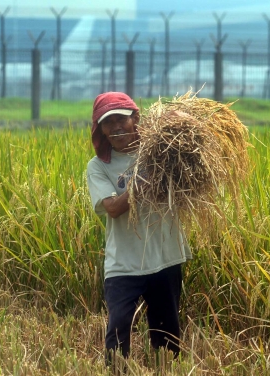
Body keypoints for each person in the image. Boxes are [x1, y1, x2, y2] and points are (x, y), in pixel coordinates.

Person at [86, 92, 192, 365]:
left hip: (165, 257)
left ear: (135, 119)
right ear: (101, 130)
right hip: (124, 263)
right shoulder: (98, 167)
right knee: (119, 326)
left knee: (166, 335)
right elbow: (112, 208)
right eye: (108, 123)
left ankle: (166, 370)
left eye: (121, 119)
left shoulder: (162, 152)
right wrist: (143, 182)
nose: (116, 127)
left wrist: (175, 122)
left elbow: (185, 126)